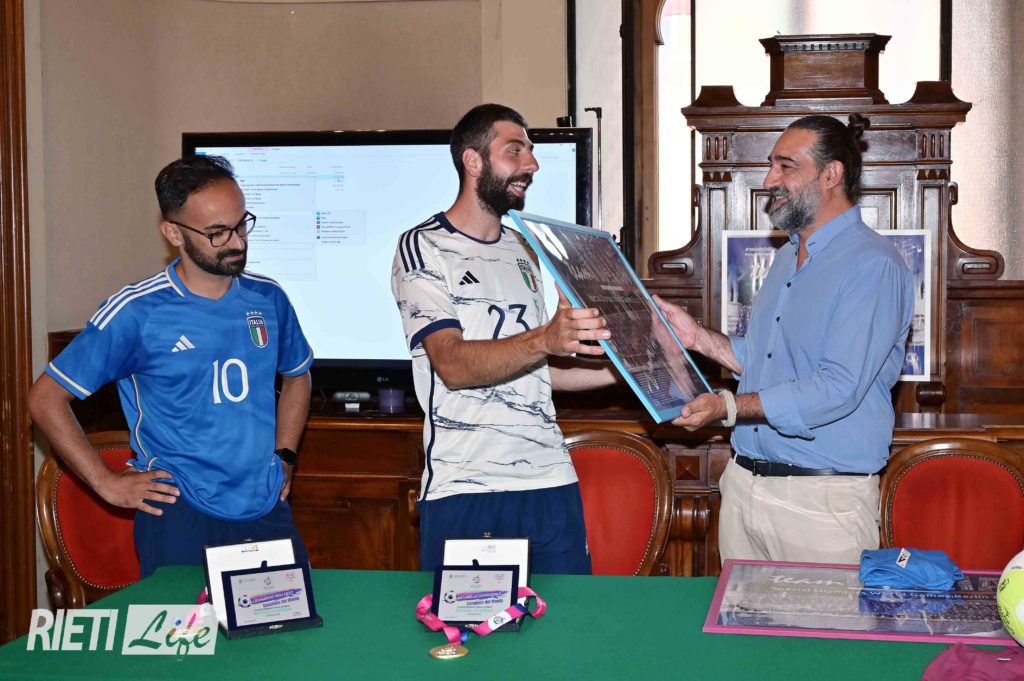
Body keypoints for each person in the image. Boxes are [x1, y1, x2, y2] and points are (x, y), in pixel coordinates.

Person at [28, 155, 314, 577]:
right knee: (183, 623)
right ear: (174, 233)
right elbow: (45, 399)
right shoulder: (136, 311)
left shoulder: (268, 298)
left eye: (241, 225)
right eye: (217, 233)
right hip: (178, 510)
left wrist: (285, 454)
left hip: (264, 503)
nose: (237, 242)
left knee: (285, 619)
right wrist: (106, 482)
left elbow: (297, 377)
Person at [655, 114, 914, 564]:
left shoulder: (872, 264)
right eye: (771, 165)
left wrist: (729, 407)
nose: (769, 180)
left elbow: (837, 387)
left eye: (785, 166)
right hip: (743, 488)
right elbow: (766, 360)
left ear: (831, 174)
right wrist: (696, 338)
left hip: (821, 503)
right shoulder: (786, 256)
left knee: (824, 616)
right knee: (736, 615)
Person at [391, 103, 618, 574]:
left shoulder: (526, 250)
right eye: (515, 151)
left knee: (569, 620)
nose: (531, 164)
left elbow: (541, 372)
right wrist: (545, 338)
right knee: (472, 624)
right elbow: (452, 365)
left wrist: (638, 371)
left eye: (531, 152)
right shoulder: (423, 246)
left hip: (550, 481)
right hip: (467, 486)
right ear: (472, 161)